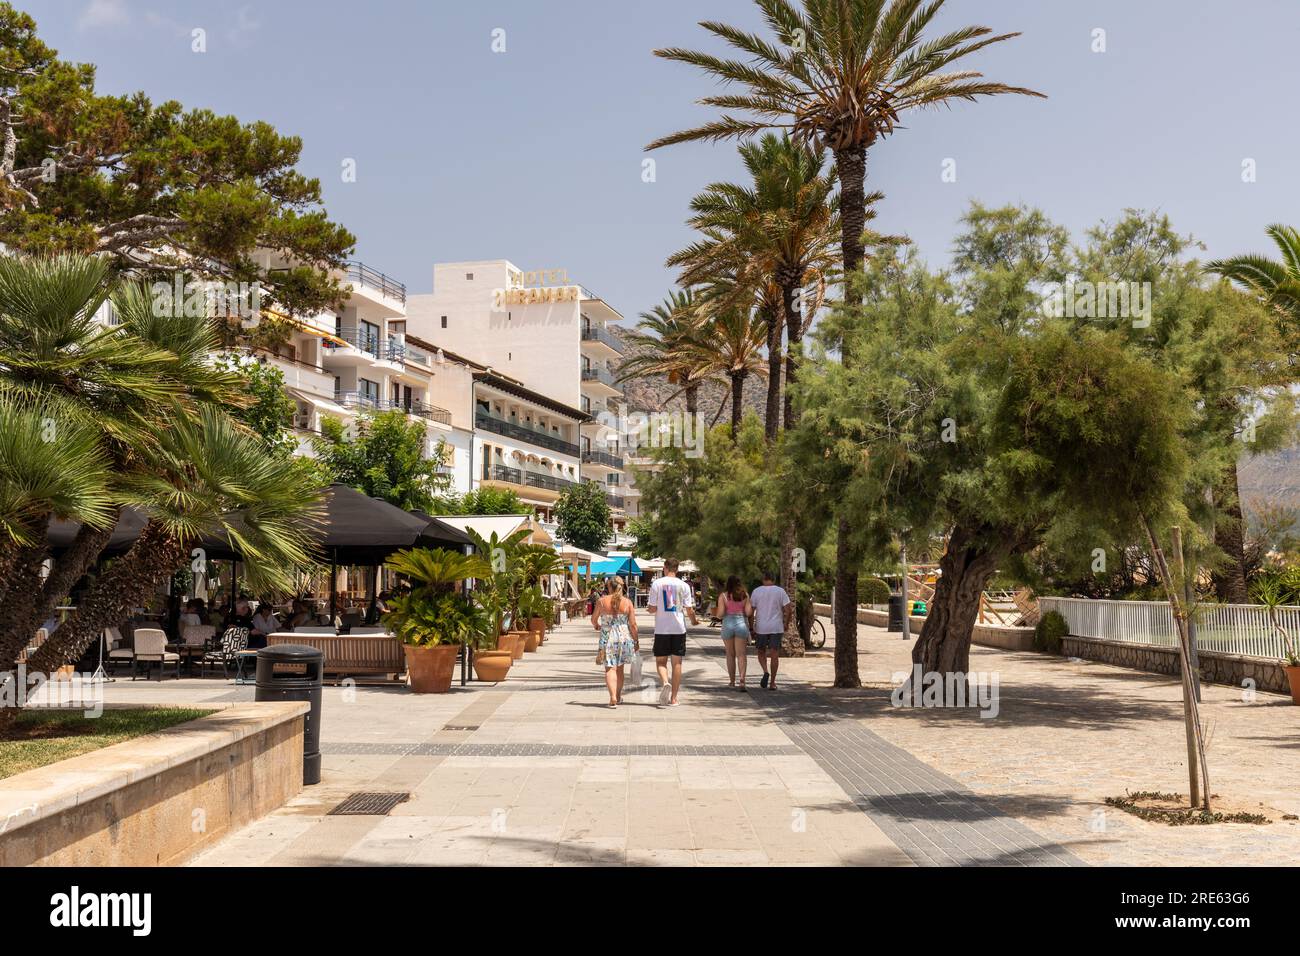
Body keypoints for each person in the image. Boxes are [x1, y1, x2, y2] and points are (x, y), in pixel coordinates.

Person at [648, 558, 697, 706]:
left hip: (662, 628)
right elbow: (689, 609)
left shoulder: (657, 583)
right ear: (677, 569)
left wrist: (652, 609)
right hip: (678, 628)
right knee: (677, 663)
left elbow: (652, 608)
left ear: (665, 568)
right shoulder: (684, 586)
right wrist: (694, 621)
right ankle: (674, 699)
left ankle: (665, 682)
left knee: (661, 662)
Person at [591, 576, 639, 708]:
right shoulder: (628, 602)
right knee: (620, 669)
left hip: (607, 637)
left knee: (610, 668)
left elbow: (594, 619)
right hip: (623, 637)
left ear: (609, 587)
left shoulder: (601, 601)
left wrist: (596, 625)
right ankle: (617, 696)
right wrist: (636, 640)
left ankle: (612, 697)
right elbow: (633, 624)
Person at [750, 571, 792, 690]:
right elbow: (789, 611)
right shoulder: (780, 591)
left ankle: (765, 671)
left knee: (761, 651)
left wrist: (751, 627)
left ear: (763, 579)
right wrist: (786, 624)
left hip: (761, 627)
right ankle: (773, 683)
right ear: (773, 579)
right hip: (776, 627)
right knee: (774, 654)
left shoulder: (756, 591)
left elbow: (751, 612)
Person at [714, 575, 752, 691]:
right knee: (741, 655)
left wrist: (719, 613)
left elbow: (720, 614)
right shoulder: (745, 595)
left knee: (730, 655)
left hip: (728, 625)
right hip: (741, 624)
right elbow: (748, 612)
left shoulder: (723, 596)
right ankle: (742, 681)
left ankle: (731, 681)